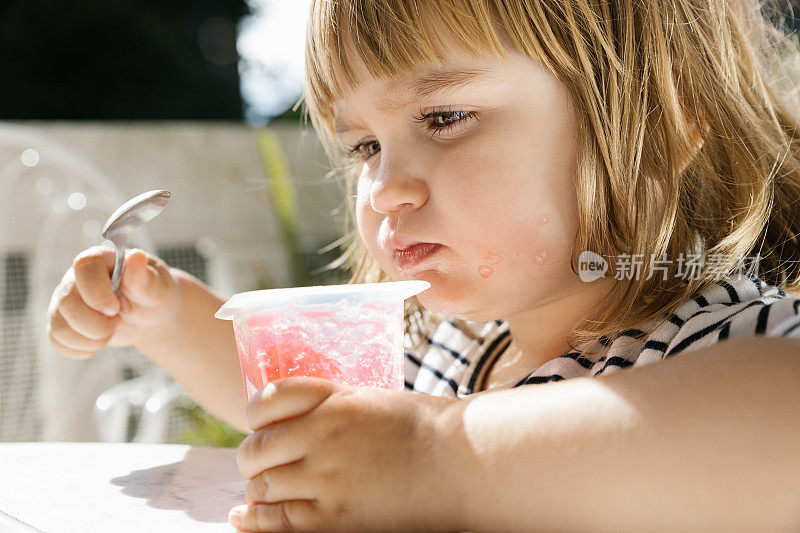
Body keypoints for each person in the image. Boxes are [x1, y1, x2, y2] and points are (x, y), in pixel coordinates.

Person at [47, 0, 800, 530]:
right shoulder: (449, 352)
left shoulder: (720, 338)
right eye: (365, 147)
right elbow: (306, 417)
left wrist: (439, 457)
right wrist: (170, 316)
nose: (382, 190)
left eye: (444, 118)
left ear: (659, 124)